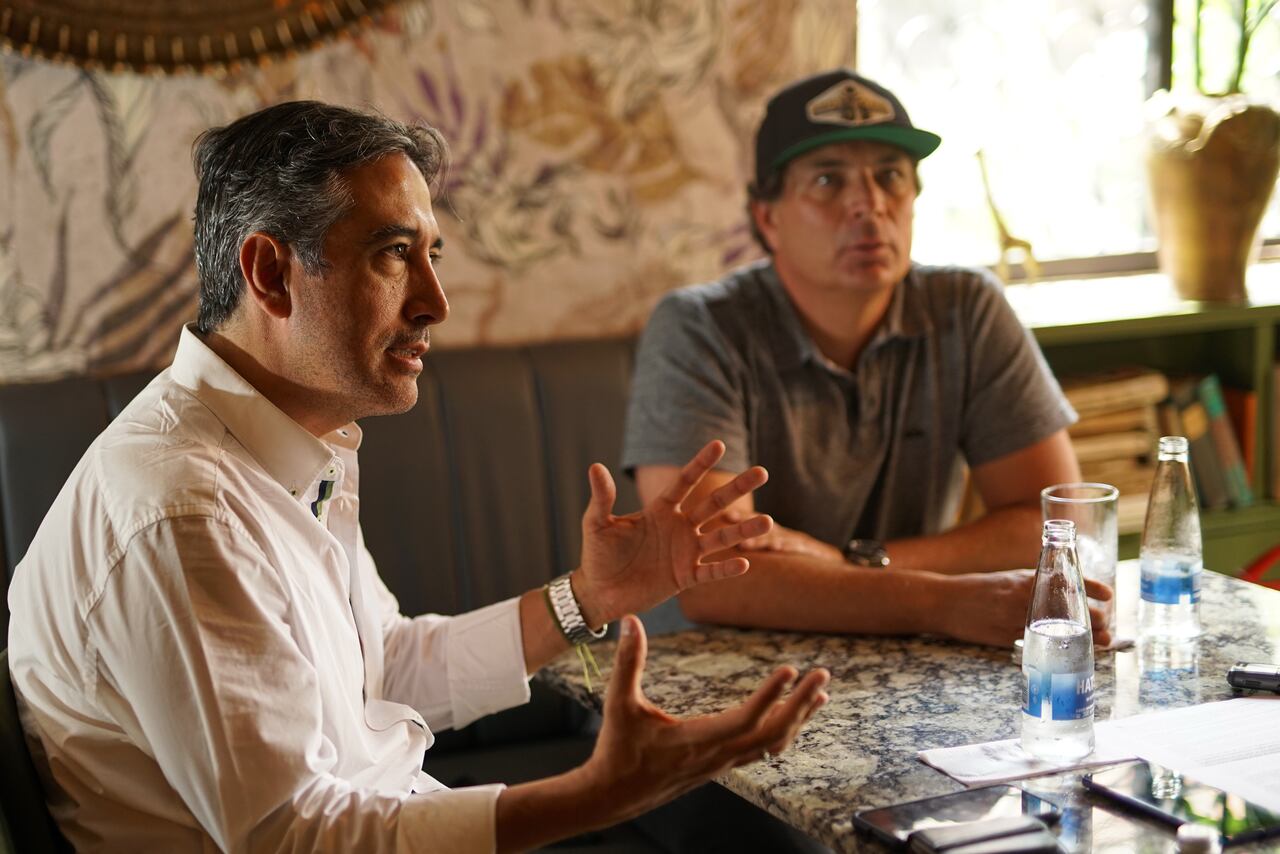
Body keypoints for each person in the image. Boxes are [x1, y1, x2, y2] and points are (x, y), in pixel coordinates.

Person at [6, 101, 831, 853]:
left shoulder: (281, 447)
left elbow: (387, 668)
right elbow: (290, 838)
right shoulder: (183, 510)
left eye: (431, 255)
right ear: (269, 274)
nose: (435, 300)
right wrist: (595, 795)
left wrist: (587, 599)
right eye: (395, 255)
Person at [623, 69, 1112, 648]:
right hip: (711, 667)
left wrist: (852, 562)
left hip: (907, 656)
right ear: (767, 218)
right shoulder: (699, 328)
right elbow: (708, 578)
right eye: (828, 180)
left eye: (891, 177)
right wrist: (942, 600)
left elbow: (1059, 530)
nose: (869, 205)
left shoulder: (966, 308)